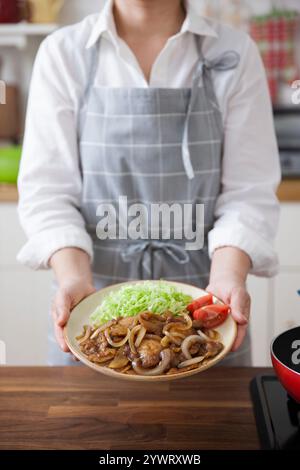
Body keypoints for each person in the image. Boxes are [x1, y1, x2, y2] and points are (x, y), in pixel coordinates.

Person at [17, 0, 281, 366]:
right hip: (92, 316)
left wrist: (228, 279)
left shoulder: (231, 51)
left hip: (205, 318)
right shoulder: (65, 53)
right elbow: (48, 191)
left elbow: (248, 192)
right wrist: (72, 278)